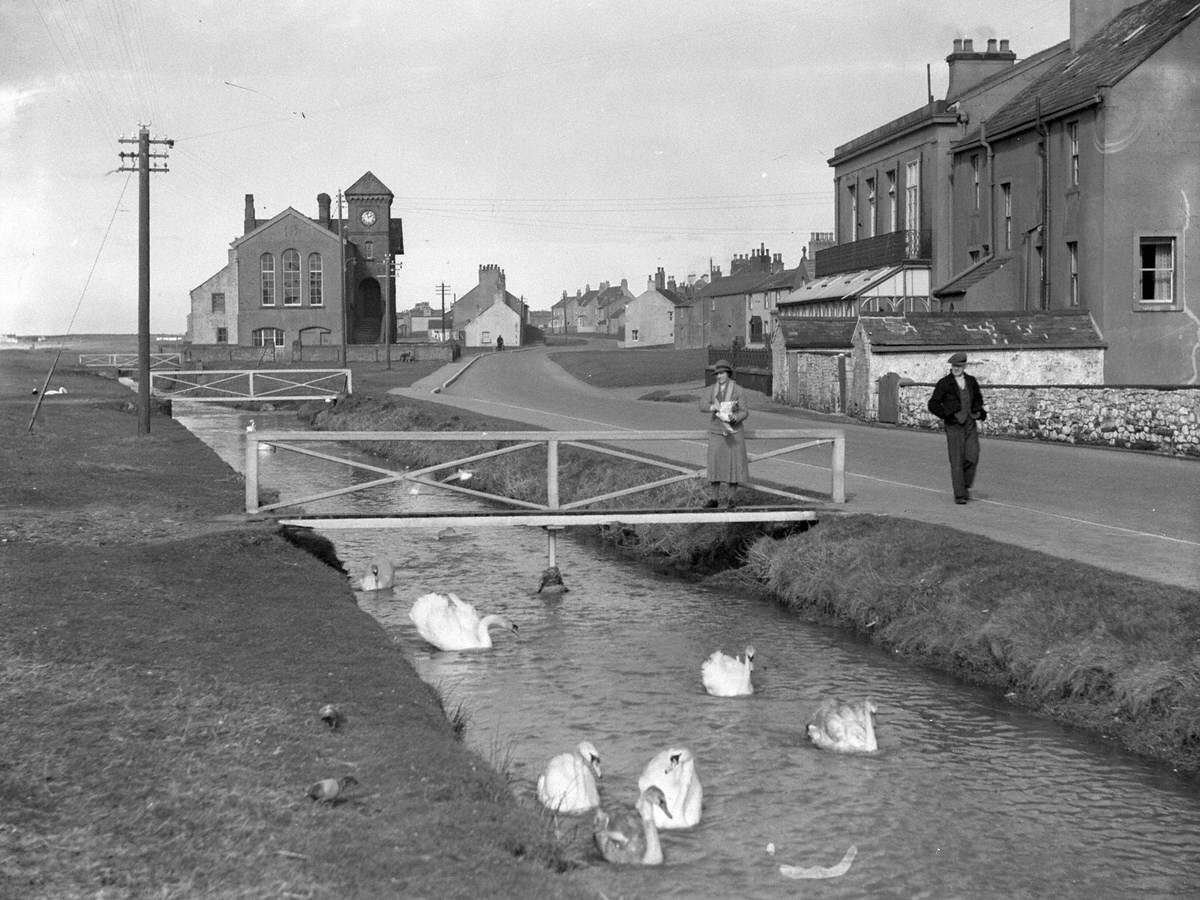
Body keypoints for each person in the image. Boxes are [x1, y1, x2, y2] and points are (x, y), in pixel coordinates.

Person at [927, 351, 987, 504]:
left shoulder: (971, 381)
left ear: (964, 366)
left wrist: (978, 411)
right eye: (954, 366)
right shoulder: (944, 383)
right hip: (954, 425)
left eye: (959, 366)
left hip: (970, 423)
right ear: (951, 366)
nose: (956, 368)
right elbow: (933, 404)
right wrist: (947, 415)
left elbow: (978, 399)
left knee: (972, 456)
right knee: (956, 460)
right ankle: (959, 495)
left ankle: (964, 485)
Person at [701, 359, 749, 508]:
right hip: (716, 432)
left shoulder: (738, 389)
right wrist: (712, 408)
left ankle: (731, 500)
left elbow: (745, 411)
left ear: (728, 374)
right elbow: (701, 405)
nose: (719, 376)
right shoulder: (711, 390)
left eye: (722, 373)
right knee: (715, 465)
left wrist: (735, 417)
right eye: (717, 374)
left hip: (733, 432)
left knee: (733, 466)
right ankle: (714, 499)